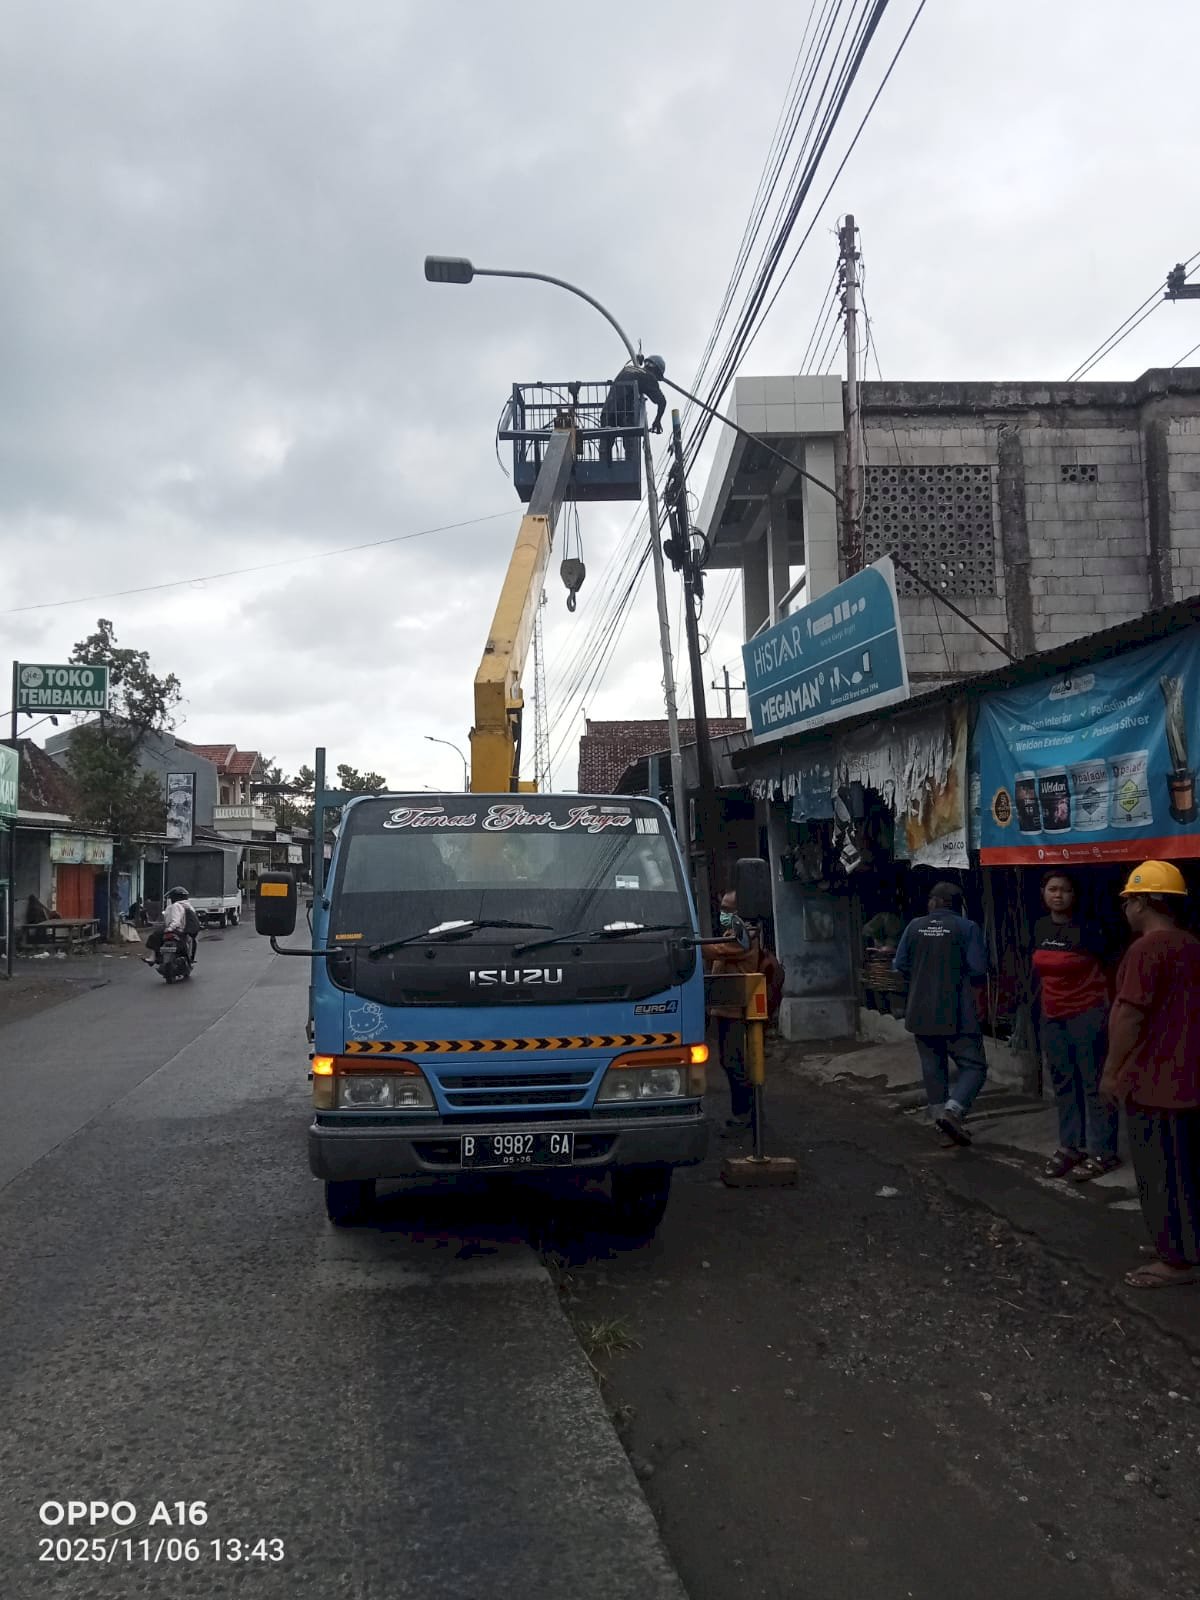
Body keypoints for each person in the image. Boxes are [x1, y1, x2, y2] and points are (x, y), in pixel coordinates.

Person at [1100, 861, 1200, 1290]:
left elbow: (1129, 1015)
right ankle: (1181, 1244)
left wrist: (1111, 1072)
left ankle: (1174, 1260)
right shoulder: (1191, 944)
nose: (1125, 909)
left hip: (1153, 1083)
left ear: (1141, 901)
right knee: (1186, 1174)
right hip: (1188, 1081)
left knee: (1158, 1174)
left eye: (1128, 900)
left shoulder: (1146, 950)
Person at [1032, 871, 1120, 1182]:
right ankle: (1071, 1145)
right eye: (1052, 889)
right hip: (1052, 1016)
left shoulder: (1090, 930)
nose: (1058, 895)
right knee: (1063, 1082)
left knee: (1094, 1084)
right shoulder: (1040, 927)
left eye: (1065, 890)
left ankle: (1103, 1151)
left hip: (1087, 1014)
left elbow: (1110, 968)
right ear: (1044, 893)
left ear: (1074, 895)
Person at [893, 882, 988, 1145]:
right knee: (974, 1067)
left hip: (920, 1011)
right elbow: (978, 969)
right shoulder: (967, 928)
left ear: (934, 902)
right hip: (958, 1012)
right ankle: (953, 1111)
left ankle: (941, 1127)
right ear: (957, 905)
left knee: (933, 1068)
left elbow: (899, 964)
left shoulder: (914, 926)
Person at [702, 890, 784, 1133]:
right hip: (726, 1008)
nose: (723, 914)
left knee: (735, 1062)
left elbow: (713, 951)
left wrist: (688, 937)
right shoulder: (734, 933)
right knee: (730, 1062)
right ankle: (747, 1114)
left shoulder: (744, 936)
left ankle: (747, 1115)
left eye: (728, 910)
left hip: (737, 1011)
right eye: (722, 909)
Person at [598, 355, 667, 466]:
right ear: (656, 371)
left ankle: (603, 468)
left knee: (605, 445)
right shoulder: (649, 377)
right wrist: (657, 421)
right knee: (630, 446)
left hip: (608, 410)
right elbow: (662, 402)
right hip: (626, 413)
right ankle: (629, 466)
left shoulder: (628, 368)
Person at [145, 885, 199, 965]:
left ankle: (153, 957)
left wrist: (169, 929)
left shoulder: (175, 906)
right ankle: (190, 959)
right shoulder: (189, 906)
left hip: (176, 930)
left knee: (154, 936)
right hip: (185, 932)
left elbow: (175, 921)